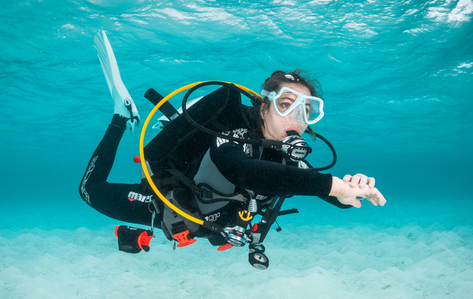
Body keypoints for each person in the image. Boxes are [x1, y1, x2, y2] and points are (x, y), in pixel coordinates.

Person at [79, 31, 386, 268]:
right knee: (89, 190)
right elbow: (243, 170)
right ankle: (121, 117)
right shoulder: (233, 136)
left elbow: (331, 196)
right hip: (166, 207)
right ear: (264, 109)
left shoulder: (291, 161)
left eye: (306, 111)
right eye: (285, 105)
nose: (296, 118)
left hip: (205, 224)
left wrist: (350, 189)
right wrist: (333, 185)